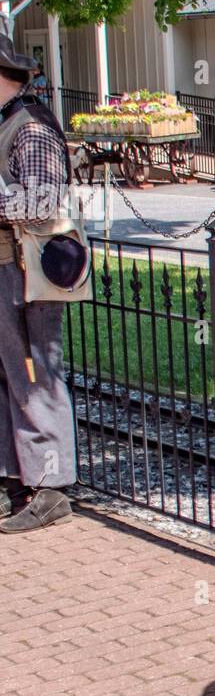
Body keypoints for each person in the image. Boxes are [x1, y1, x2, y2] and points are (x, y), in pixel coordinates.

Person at [0, 34, 77, 533]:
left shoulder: (29, 129)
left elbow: (43, 202)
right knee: (12, 376)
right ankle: (18, 477)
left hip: (27, 273)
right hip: (9, 268)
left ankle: (50, 487)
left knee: (34, 378)